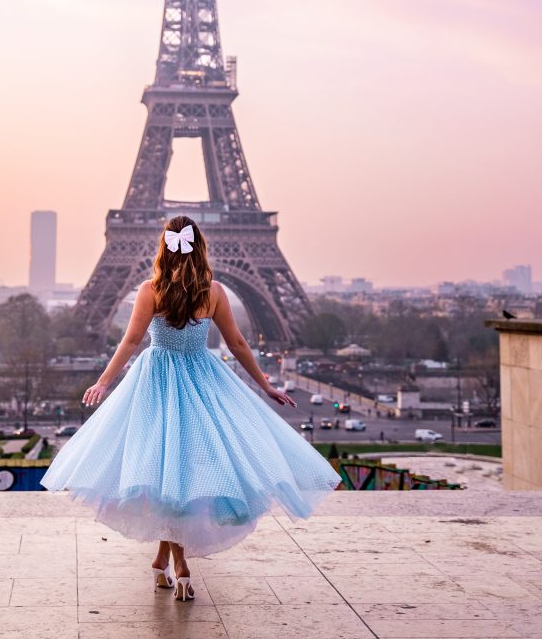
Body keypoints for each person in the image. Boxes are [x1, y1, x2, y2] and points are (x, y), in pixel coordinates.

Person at [40, 214, 341, 602]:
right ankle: (173, 566)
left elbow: (130, 343)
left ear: (164, 247)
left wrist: (103, 381)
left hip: (156, 384)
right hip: (203, 383)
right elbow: (238, 344)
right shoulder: (213, 291)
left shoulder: (150, 290)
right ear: (201, 248)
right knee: (182, 475)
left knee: (169, 476)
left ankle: (171, 564)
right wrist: (265, 386)